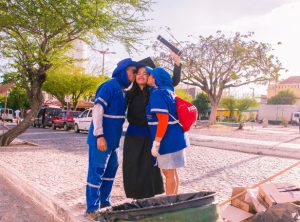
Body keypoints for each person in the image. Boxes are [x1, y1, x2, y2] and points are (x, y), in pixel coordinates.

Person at [85, 58, 140, 219]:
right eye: (132, 71)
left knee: (110, 173)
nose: (134, 75)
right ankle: (92, 209)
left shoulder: (123, 90)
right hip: (100, 140)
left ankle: (104, 205)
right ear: (123, 71)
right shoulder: (109, 86)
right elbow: (97, 111)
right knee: (96, 173)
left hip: (113, 143)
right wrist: (99, 135)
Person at [123, 52, 181, 199]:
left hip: (150, 135)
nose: (141, 75)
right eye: (138, 73)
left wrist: (177, 64)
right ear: (135, 76)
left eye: (145, 73)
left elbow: (172, 81)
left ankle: (151, 199)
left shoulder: (154, 91)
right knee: (133, 168)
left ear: (150, 76)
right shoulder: (129, 94)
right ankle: (137, 198)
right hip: (134, 136)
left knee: (151, 169)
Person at [146, 66, 188, 195]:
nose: (147, 77)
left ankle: (170, 204)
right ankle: (173, 201)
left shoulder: (157, 94)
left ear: (155, 79)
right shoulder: (169, 92)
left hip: (167, 140)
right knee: (172, 172)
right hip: (176, 137)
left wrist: (156, 142)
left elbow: (163, 120)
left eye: (150, 75)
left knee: (168, 173)